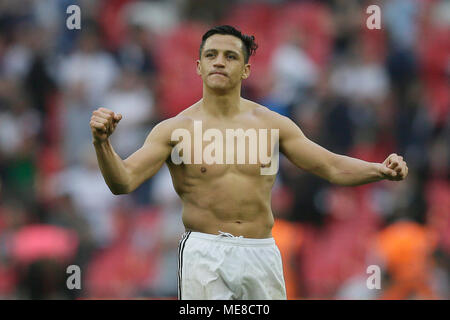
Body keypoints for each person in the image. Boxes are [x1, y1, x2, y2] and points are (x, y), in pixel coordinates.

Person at [89, 25, 408, 300]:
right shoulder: (174, 130)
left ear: (245, 70)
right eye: (211, 55)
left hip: (260, 250)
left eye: (230, 56)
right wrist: (102, 144)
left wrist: (378, 170)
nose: (219, 62)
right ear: (198, 66)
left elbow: (330, 166)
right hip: (204, 251)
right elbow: (123, 182)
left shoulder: (272, 125)